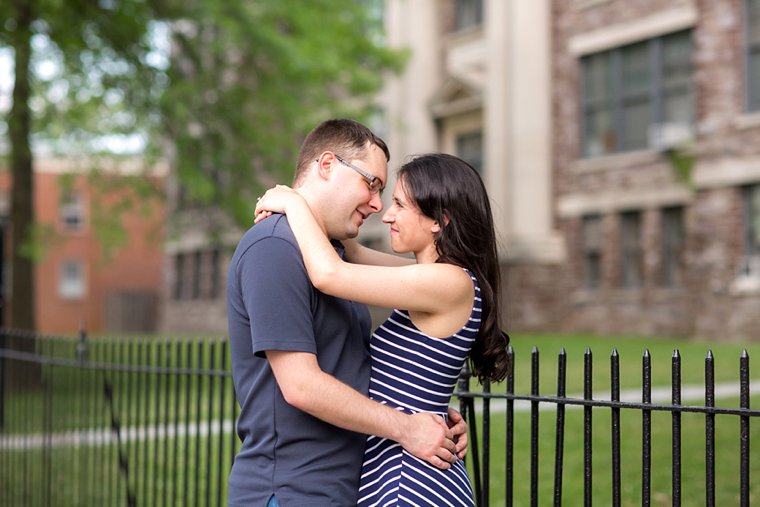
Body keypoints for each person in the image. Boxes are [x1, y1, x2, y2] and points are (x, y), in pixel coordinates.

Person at [226, 119, 469, 506]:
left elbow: (425, 287)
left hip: (346, 487)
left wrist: (431, 412)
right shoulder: (274, 247)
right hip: (291, 491)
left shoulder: (333, 255)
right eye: (371, 183)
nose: (378, 205)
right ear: (326, 165)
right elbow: (301, 386)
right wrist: (407, 427)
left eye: (387, 194)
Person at [254, 152, 511, 506]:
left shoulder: (449, 282)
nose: (386, 214)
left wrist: (293, 203)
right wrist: (313, 204)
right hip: (399, 467)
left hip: (411, 482)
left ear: (439, 220)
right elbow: (351, 252)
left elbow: (330, 274)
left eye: (400, 205)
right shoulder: (432, 279)